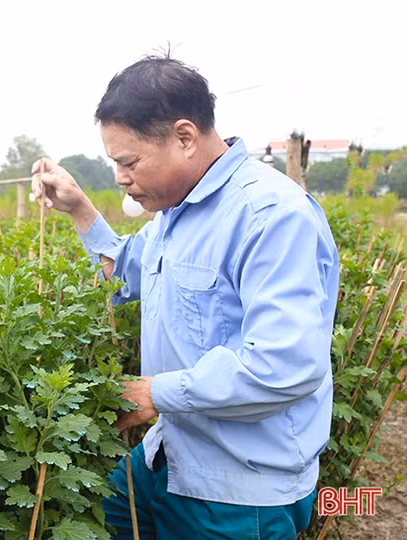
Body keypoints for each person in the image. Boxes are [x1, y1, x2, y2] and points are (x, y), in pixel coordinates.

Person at [31, 55, 339, 539]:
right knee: (108, 514)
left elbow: (282, 367)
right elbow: (125, 275)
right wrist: (79, 207)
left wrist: (154, 393)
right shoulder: (177, 211)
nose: (119, 178)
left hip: (236, 490)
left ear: (185, 137)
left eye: (128, 162)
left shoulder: (271, 216)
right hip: (168, 456)